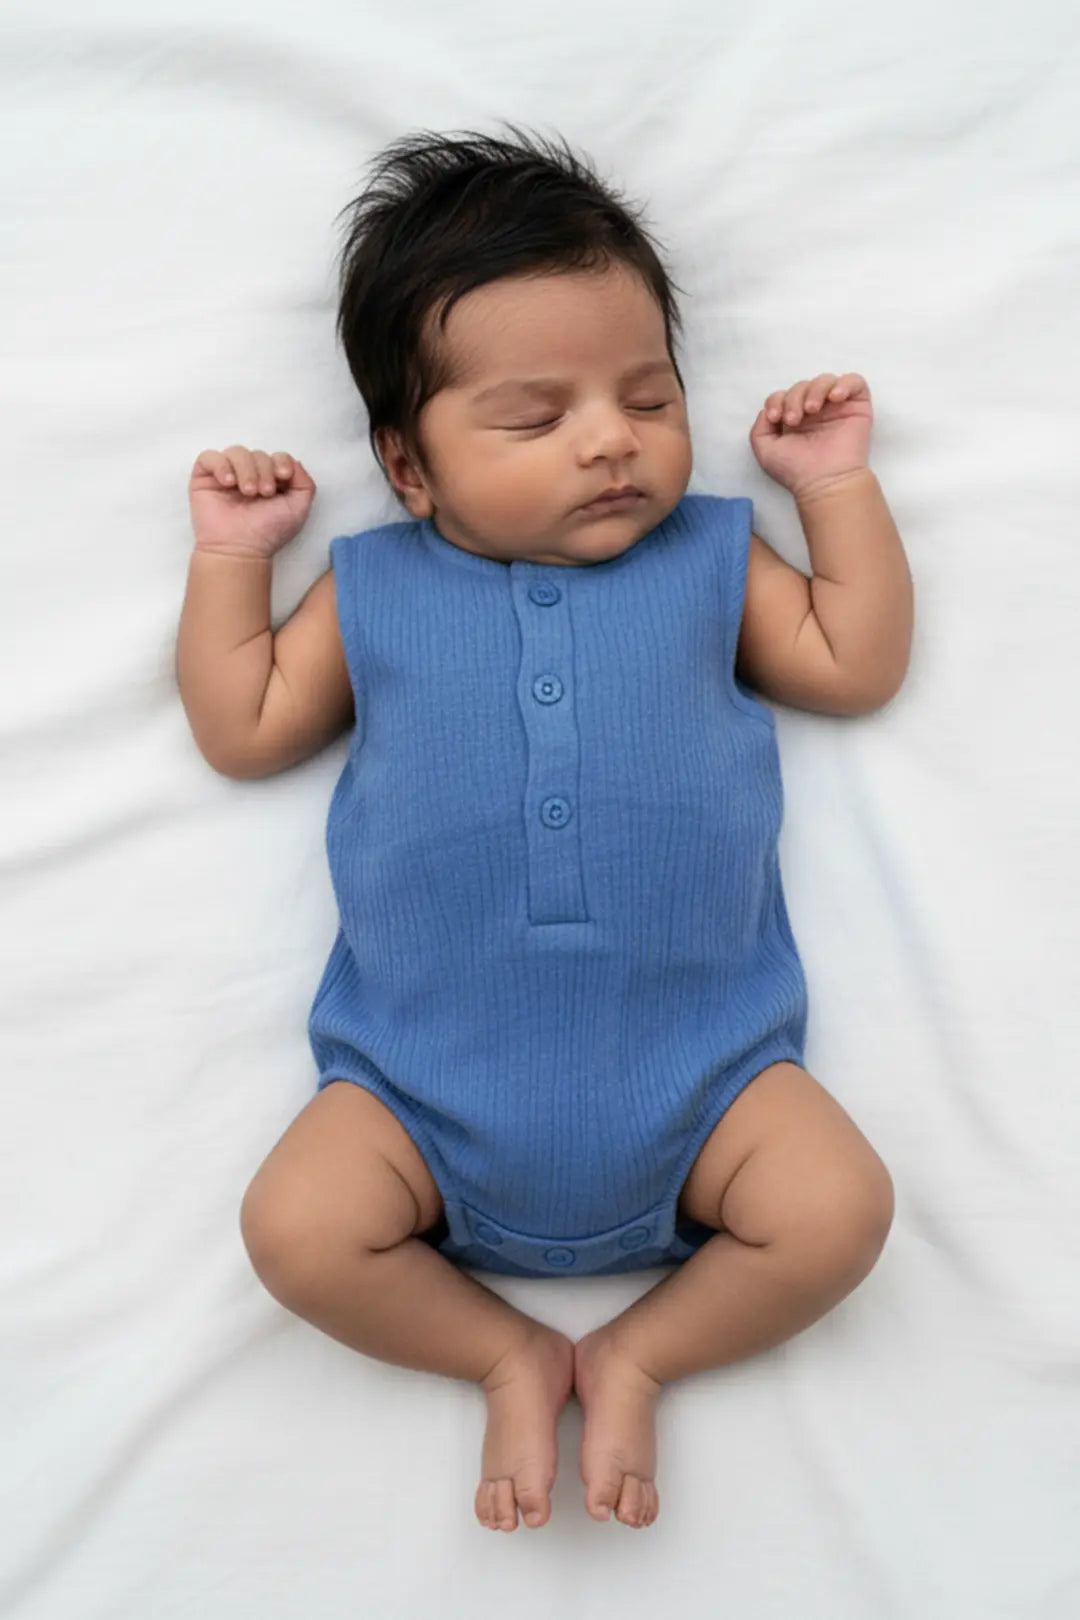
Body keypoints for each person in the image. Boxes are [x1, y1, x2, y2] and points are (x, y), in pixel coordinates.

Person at [176, 127, 912, 1535]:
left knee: (843, 1212)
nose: (610, 438)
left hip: (708, 1086)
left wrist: (833, 491)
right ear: (408, 467)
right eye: (535, 418)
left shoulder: (709, 555)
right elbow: (245, 723)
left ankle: (639, 1355)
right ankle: (504, 1356)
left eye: (649, 395)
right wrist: (230, 563)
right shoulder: (373, 586)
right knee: (294, 1231)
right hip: (418, 1101)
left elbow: (854, 661)